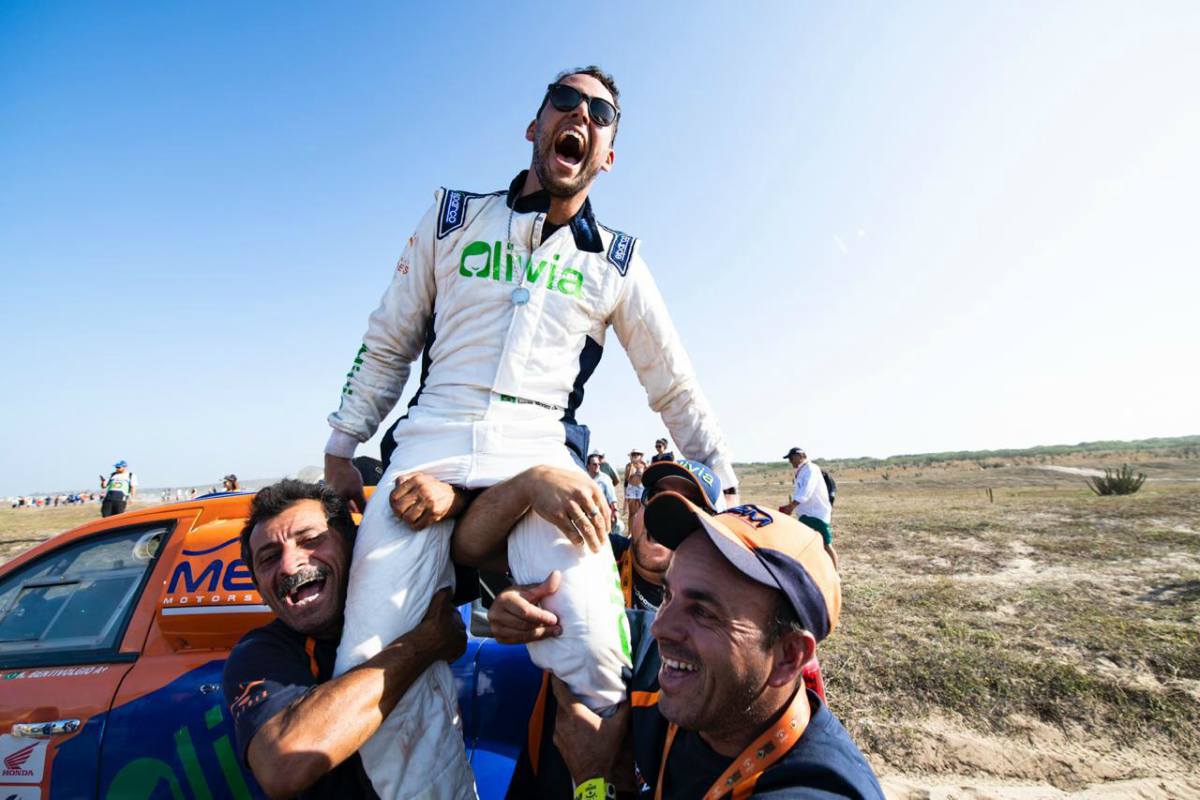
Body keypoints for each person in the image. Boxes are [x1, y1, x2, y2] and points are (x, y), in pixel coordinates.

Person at [320, 66, 739, 798]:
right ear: (535, 125)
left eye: (601, 112)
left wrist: (724, 487)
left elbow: (671, 383)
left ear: (606, 154)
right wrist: (341, 441)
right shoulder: (452, 217)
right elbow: (389, 338)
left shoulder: (618, 260)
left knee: (595, 654)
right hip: (428, 444)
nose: (580, 114)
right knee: (369, 663)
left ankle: (594, 792)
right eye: (565, 101)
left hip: (543, 450)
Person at [555, 495, 884, 799]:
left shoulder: (813, 792)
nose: (661, 627)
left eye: (703, 612)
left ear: (788, 656)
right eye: (668, 596)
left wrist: (591, 781)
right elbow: (589, 620)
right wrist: (535, 606)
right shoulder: (683, 671)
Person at [779, 447, 833, 546]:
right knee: (807, 544)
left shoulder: (810, 469)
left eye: (791, 458)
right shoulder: (803, 470)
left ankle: (833, 562)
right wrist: (791, 506)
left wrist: (791, 507)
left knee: (826, 545)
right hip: (806, 515)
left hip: (816, 514)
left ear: (800, 456)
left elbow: (806, 491)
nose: (790, 462)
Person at [586, 454, 618, 527]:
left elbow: (612, 497)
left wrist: (614, 511)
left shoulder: (605, 479)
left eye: (598, 464)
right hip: (587, 514)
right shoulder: (584, 478)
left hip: (603, 514)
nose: (597, 466)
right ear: (588, 466)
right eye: (594, 464)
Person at [623, 448, 648, 532]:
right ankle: (630, 531)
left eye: (637, 454)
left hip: (641, 487)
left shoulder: (644, 465)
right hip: (631, 488)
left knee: (642, 511)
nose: (636, 456)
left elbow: (647, 476)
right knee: (632, 513)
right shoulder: (629, 465)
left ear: (641, 456)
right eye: (633, 454)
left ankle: (641, 531)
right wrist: (632, 466)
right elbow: (627, 478)